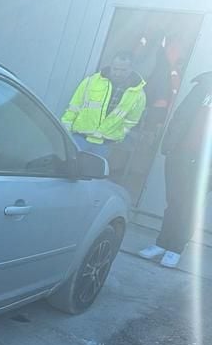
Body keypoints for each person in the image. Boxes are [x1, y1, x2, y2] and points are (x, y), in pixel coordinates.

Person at [139, 71, 212, 269]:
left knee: (189, 206)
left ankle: (176, 248)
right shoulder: (203, 86)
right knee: (174, 201)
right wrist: (170, 145)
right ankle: (161, 244)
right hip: (181, 155)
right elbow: (180, 115)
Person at [61, 51, 148, 158]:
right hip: (79, 138)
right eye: (115, 69)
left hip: (105, 145)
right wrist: (65, 133)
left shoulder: (139, 95)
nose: (118, 73)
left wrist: (119, 135)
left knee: (93, 173)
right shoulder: (91, 81)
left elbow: (132, 120)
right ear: (111, 66)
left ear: (131, 69)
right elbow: (73, 107)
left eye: (123, 70)